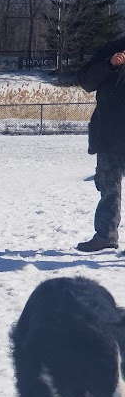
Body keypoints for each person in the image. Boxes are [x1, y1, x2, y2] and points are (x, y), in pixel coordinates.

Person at [76, 36, 125, 252]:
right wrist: (109, 65)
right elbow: (86, 81)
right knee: (108, 187)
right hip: (109, 134)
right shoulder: (110, 50)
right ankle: (106, 235)